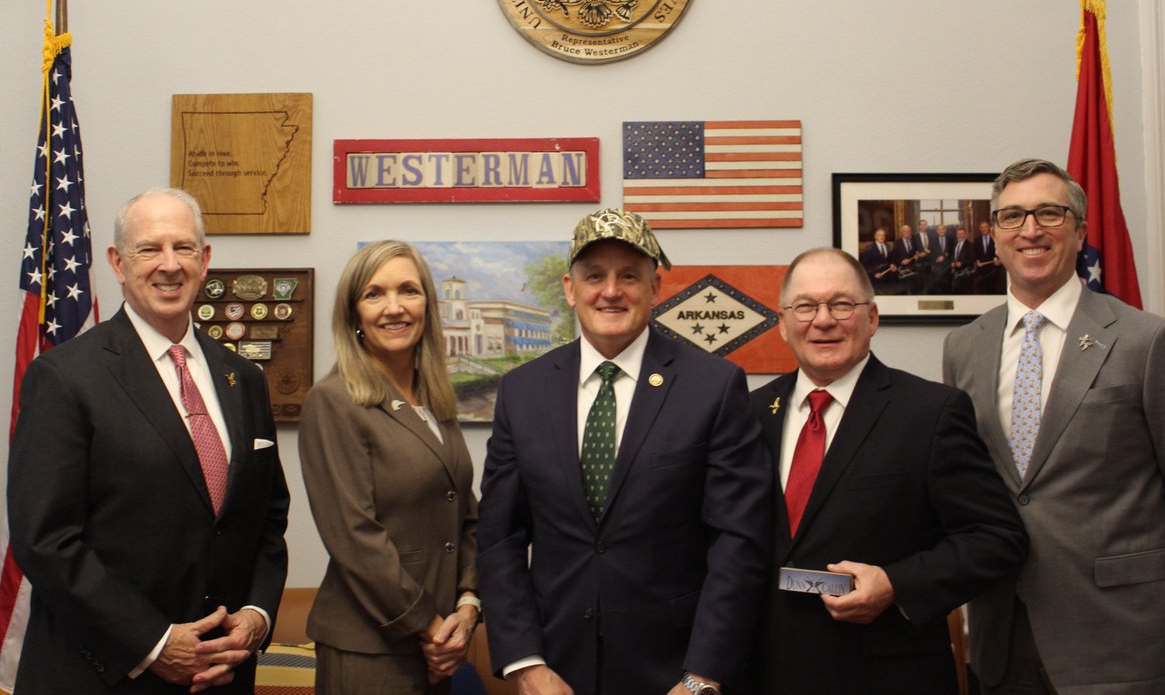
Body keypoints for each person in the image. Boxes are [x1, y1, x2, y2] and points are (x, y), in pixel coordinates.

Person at [477, 208, 771, 695]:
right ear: (570, 289)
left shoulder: (713, 387)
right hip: (555, 670)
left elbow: (739, 541)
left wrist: (702, 676)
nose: (610, 291)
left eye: (628, 276)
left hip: (676, 672)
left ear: (655, 288)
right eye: (594, 276)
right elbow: (500, 537)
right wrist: (524, 663)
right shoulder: (521, 391)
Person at [8, 187, 290, 693]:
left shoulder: (242, 377)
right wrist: (154, 643)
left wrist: (257, 613)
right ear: (118, 262)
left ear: (204, 261)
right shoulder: (65, 377)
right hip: (103, 674)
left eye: (183, 248)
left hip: (220, 674)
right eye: (149, 249)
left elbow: (266, 517)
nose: (169, 265)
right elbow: (46, 540)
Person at [943, 158, 1165, 694]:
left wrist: (1159, 589)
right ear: (992, 235)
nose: (1030, 230)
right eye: (1011, 217)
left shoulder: (1147, 341)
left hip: (1124, 637)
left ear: (1080, 230)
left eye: (1049, 213)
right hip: (1002, 634)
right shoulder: (965, 345)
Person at [752, 248, 1026, 694]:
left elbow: (996, 538)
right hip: (766, 671)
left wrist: (896, 584)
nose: (823, 320)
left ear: (872, 318)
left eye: (841, 304)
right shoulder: (751, 414)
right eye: (805, 306)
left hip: (884, 673)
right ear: (783, 324)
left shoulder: (930, 412)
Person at [299, 241, 479, 694]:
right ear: (353, 313)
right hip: (372, 651)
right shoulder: (334, 401)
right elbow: (356, 537)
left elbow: (466, 515)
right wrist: (432, 627)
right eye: (374, 293)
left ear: (427, 306)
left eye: (408, 291)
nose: (394, 307)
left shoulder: (434, 399)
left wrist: (469, 605)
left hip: (440, 644)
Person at [973, 220, 1004, 294]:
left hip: (993, 270)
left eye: (986, 227)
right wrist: (977, 261)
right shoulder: (977, 240)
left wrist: (999, 260)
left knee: (993, 291)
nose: (984, 229)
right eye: (982, 227)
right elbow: (975, 254)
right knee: (982, 292)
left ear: (989, 228)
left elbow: (1001, 252)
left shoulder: (995, 239)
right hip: (981, 270)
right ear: (980, 229)